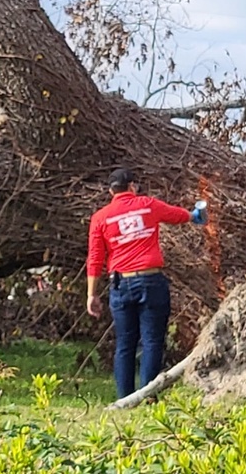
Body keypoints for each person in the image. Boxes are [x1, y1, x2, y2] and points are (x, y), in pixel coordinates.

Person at [86, 167, 206, 400]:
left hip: (120, 284)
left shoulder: (100, 218)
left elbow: (95, 258)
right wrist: (195, 215)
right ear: (132, 187)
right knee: (152, 341)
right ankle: (147, 397)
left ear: (112, 191)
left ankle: (124, 399)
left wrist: (92, 294)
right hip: (150, 280)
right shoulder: (147, 205)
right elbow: (176, 215)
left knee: (125, 343)